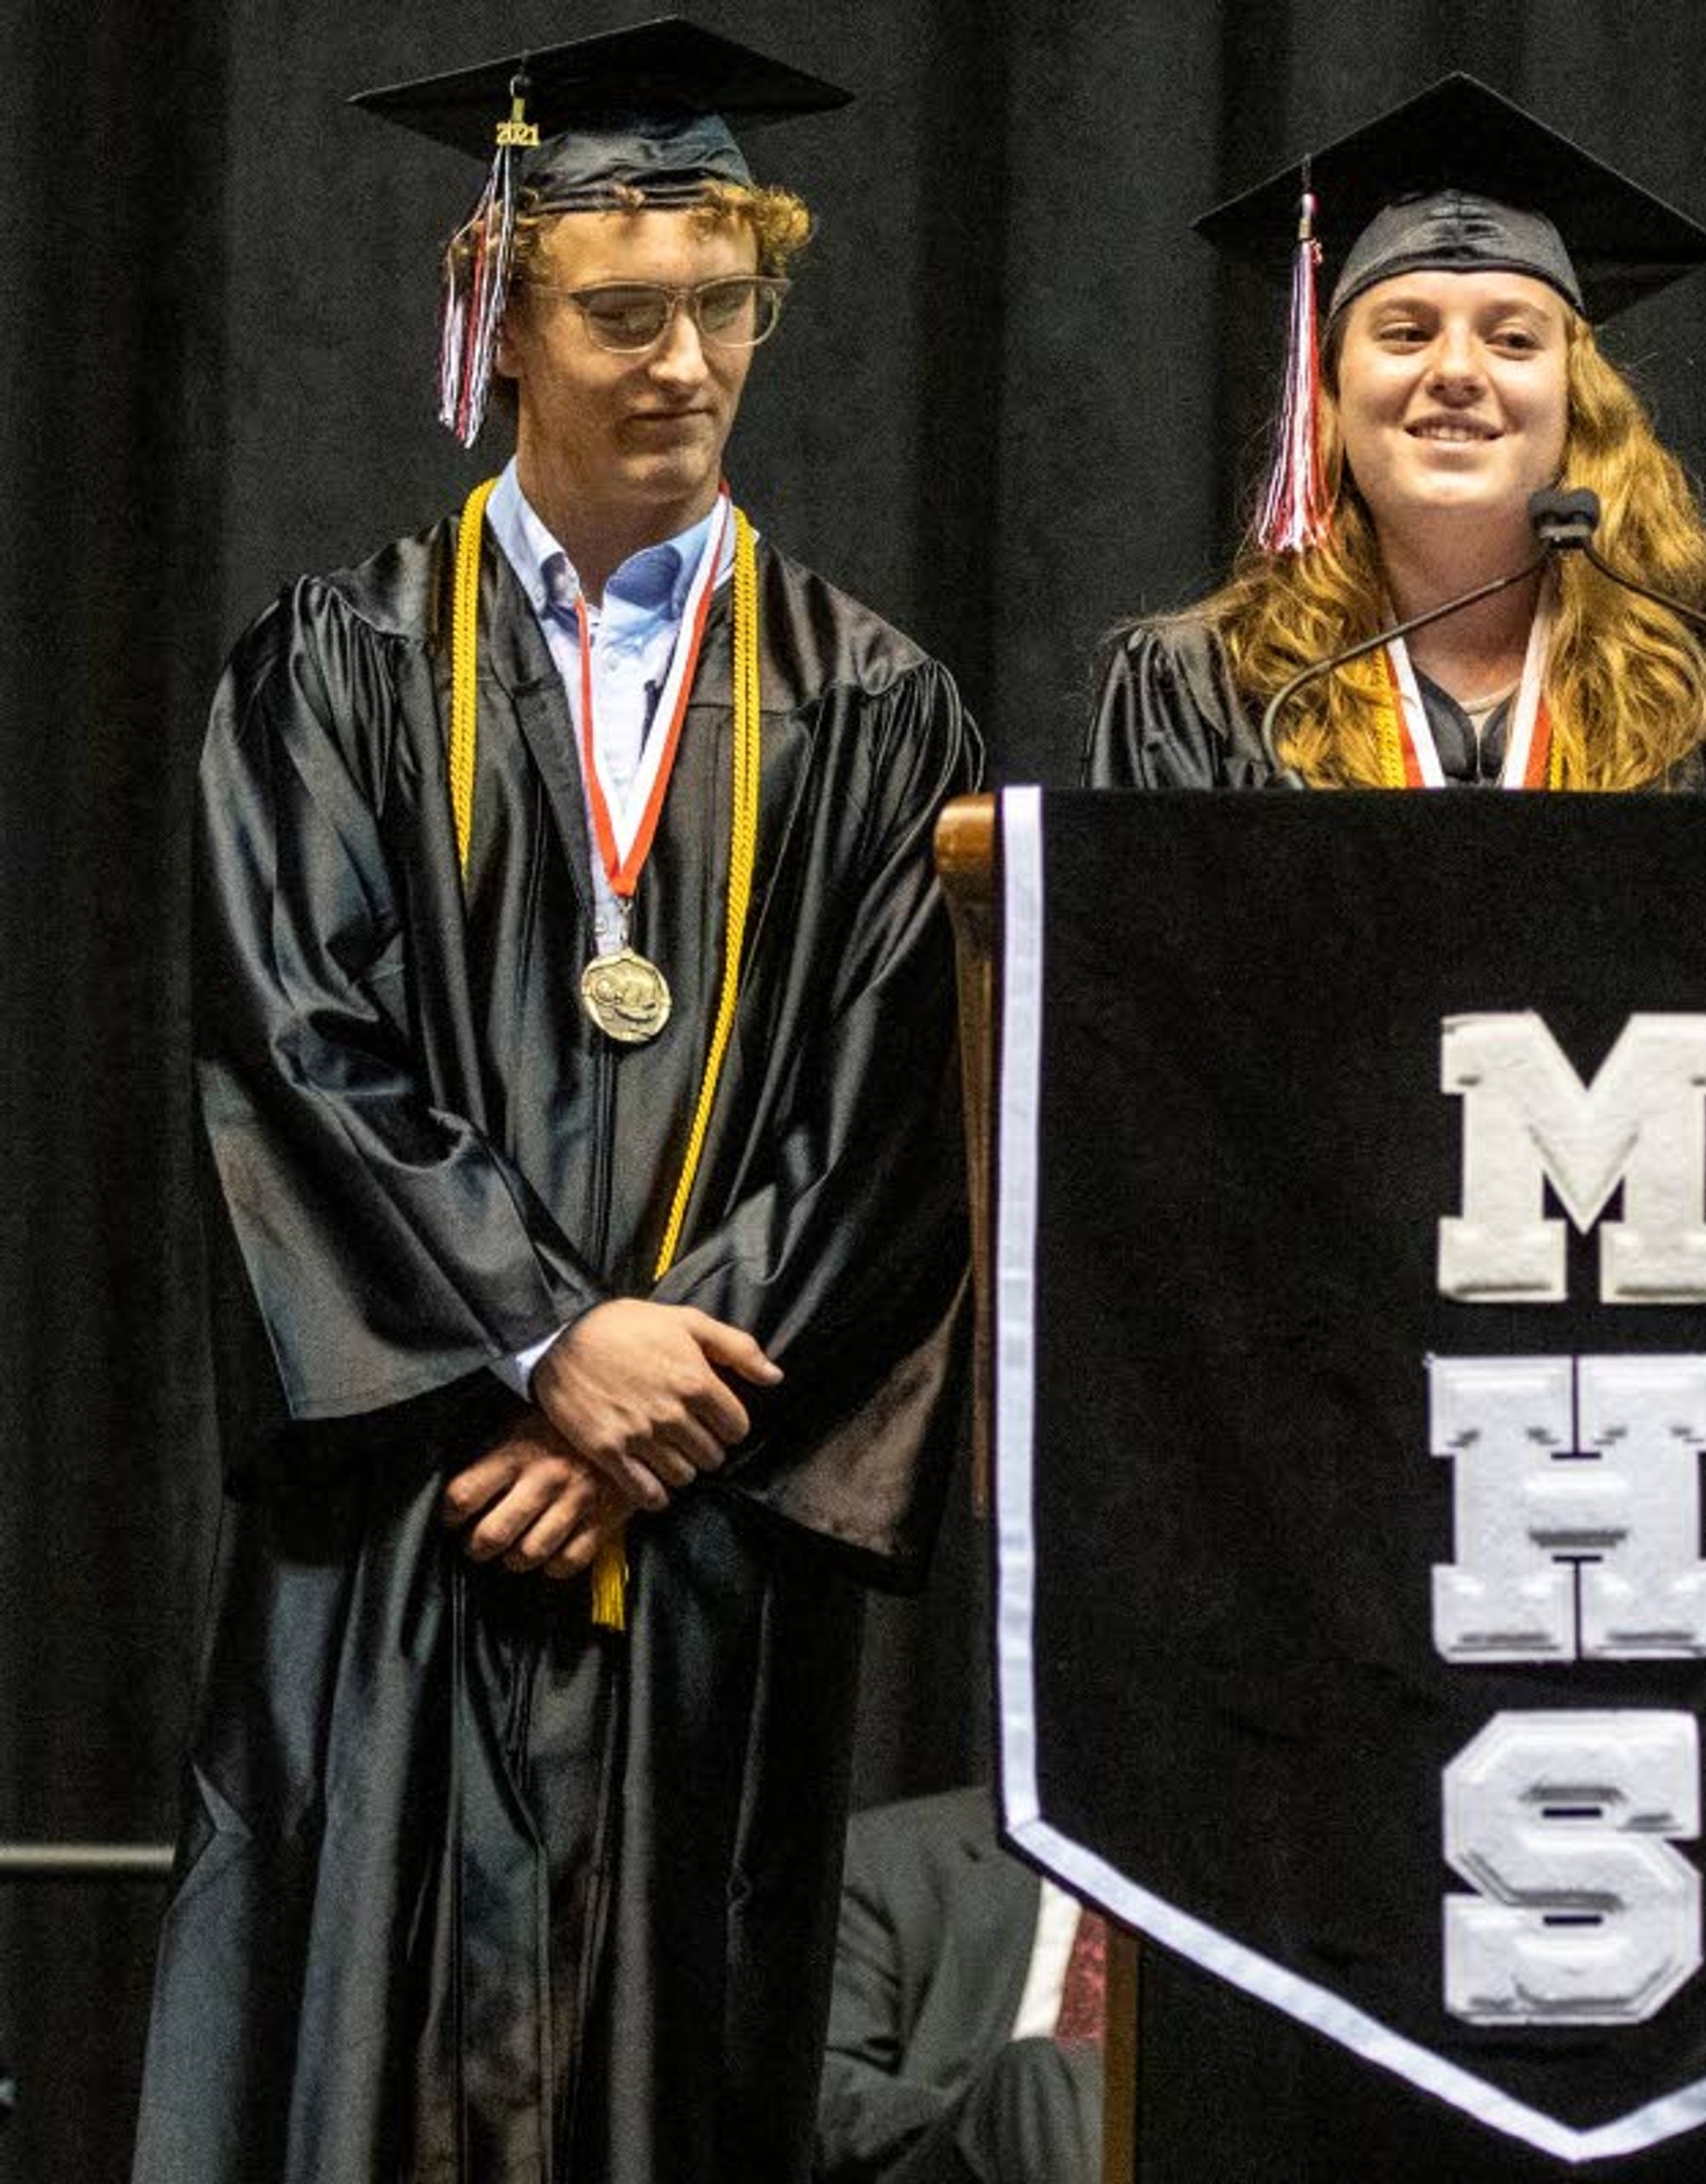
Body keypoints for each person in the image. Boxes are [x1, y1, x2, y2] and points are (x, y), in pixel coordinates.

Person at [135, 23, 978, 2181]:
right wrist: (539, 1337)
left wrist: (656, 1397)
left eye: (726, 304)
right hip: (414, 1519)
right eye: (624, 312)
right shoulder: (326, 665)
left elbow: (897, 1120)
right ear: (498, 320)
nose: (686, 361)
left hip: (694, 1532)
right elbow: (292, 1042)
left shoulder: (869, 701)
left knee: (681, 2067)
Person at [1080, 73, 1706, 795]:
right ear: (1328, 392)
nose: (1456, 369)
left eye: (1514, 340)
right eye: (1406, 334)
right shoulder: (1207, 687)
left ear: (1577, 394)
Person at [817, 1789, 1110, 2184]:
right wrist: (988, 2123)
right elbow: (827, 2083)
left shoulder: (1211, 1894)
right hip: (952, 2163)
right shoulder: (894, 1854)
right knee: (1039, 2075)